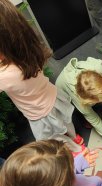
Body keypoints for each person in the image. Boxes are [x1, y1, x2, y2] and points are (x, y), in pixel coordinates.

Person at [0, 0, 83, 151]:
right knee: (65, 122)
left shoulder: (4, 75)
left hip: (40, 114)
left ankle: (76, 150)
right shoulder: (29, 48)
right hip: (53, 95)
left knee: (53, 139)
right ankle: (75, 137)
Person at [56, 58, 102, 149]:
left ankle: (100, 105)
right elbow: (95, 120)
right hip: (64, 92)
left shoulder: (97, 67)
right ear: (88, 101)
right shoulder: (81, 101)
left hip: (86, 90)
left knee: (100, 96)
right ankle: (85, 118)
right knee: (86, 112)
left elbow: (95, 61)